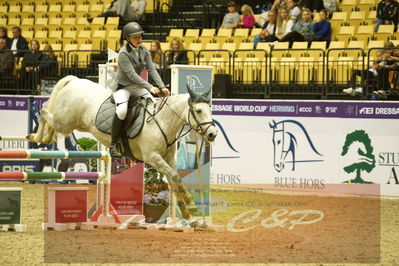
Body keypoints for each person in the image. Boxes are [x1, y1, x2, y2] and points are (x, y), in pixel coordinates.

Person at [110, 22, 169, 157]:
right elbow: (131, 74)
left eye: (140, 36)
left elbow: (151, 69)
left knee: (154, 104)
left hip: (137, 87)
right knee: (122, 111)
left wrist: (162, 86)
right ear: (127, 39)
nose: (139, 39)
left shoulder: (144, 50)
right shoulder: (123, 53)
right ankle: (113, 144)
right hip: (123, 87)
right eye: (135, 37)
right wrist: (149, 86)